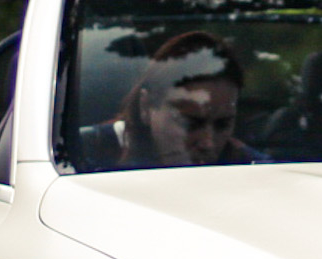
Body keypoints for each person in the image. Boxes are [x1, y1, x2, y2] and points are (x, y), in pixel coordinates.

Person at [107, 31, 257, 167]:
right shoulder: (90, 156)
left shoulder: (254, 168)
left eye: (222, 125)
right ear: (146, 108)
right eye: (189, 123)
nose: (208, 143)